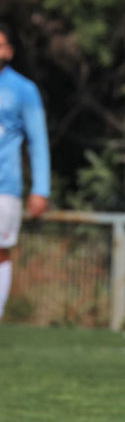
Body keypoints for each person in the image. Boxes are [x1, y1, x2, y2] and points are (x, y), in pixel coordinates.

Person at [0, 22, 50, 322]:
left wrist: (40, 188)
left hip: (4, 187)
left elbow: (38, 141)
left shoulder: (23, 90)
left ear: (9, 51)